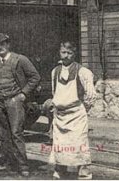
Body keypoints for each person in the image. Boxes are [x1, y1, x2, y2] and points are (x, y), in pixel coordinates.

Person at [0, 33, 41, 177]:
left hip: (14, 101)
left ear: (8, 45)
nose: (0, 48)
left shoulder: (20, 59)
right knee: (3, 133)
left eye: (3, 44)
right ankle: (7, 162)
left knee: (16, 133)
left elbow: (35, 77)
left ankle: (23, 165)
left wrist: (23, 94)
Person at [48, 41, 96, 180]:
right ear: (59, 52)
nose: (66, 56)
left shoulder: (83, 72)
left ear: (75, 54)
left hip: (76, 116)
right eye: (64, 52)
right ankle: (59, 172)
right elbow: (54, 92)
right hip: (60, 116)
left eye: (70, 53)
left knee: (79, 144)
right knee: (60, 145)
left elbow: (91, 95)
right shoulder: (55, 72)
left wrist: (80, 109)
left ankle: (84, 175)